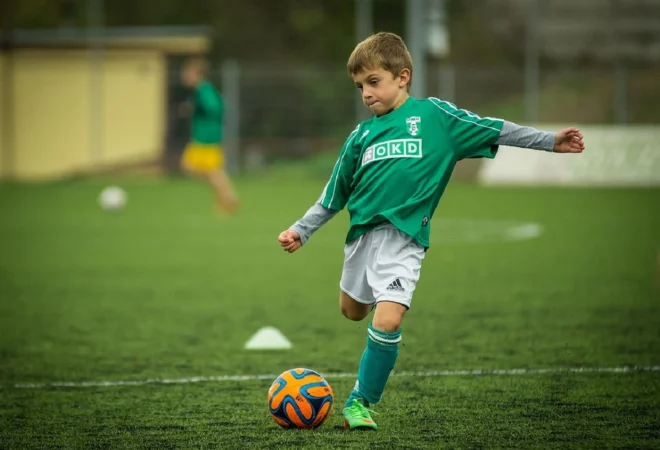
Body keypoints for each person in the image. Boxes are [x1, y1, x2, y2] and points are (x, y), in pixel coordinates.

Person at [277, 32, 584, 431]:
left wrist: (549, 141)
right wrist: (302, 231)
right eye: (359, 86)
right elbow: (333, 195)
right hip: (362, 241)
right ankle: (378, 306)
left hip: (405, 241)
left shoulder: (436, 118)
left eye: (374, 82)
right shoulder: (360, 137)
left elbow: (494, 128)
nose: (366, 93)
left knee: (387, 322)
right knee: (352, 311)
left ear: (403, 76)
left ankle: (360, 401)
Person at [180, 57, 238, 214]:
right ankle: (226, 196)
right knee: (198, 169)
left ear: (197, 73)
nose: (184, 76)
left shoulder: (203, 89)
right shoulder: (202, 90)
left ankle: (227, 197)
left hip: (206, 138)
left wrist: (196, 108)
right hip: (204, 136)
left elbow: (215, 107)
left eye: (187, 73)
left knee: (208, 171)